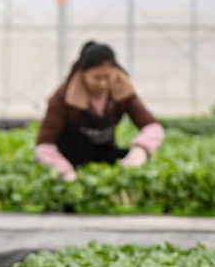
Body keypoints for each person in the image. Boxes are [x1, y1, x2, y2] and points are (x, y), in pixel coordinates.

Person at [35, 41, 164, 182]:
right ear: (83, 73)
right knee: (78, 142)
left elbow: (152, 127)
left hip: (104, 152)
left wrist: (141, 149)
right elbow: (44, 146)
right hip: (72, 157)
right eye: (96, 78)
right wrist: (65, 171)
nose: (102, 83)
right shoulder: (63, 96)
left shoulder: (123, 91)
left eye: (108, 76)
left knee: (125, 160)